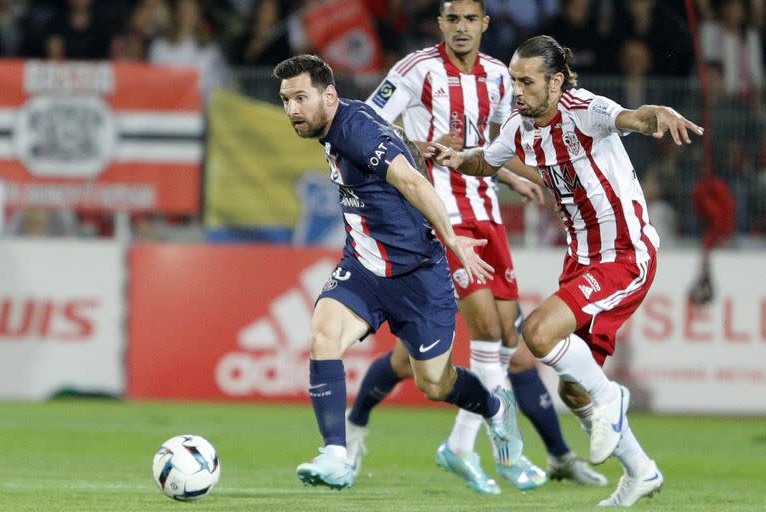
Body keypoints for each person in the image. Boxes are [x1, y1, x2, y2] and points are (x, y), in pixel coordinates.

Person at [428, 34, 704, 506]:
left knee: (536, 333)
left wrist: (659, 112)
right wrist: (457, 158)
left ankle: (613, 400)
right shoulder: (518, 127)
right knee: (576, 392)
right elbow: (486, 161)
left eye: (527, 81)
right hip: (580, 261)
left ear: (556, 81)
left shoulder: (585, 109)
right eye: (513, 80)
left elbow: (634, 117)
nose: (516, 90)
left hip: (625, 254)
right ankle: (641, 471)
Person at [346, 0, 607, 495]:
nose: (462, 28)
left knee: (453, 352)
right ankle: (476, 449)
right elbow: (364, 128)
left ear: (485, 23)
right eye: (453, 19)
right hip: (438, 220)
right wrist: (418, 146)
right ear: (440, 23)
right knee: (491, 333)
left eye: (471, 19)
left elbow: (501, 142)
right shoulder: (415, 70)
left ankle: (362, 424)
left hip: (488, 216)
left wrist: (517, 175)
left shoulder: (498, 74)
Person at [274, 54, 523, 490]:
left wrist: (452, 239)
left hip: (419, 275)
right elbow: (398, 146)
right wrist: (420, 148)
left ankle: (496, 410)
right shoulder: (344, 119)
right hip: (364, 268)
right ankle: (335, 453)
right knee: (322, 338)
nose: (292, 109)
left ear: (328, 96)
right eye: (286, 100)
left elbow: (412, 183)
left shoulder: (354, 129)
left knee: (435, 383)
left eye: (300, 98)